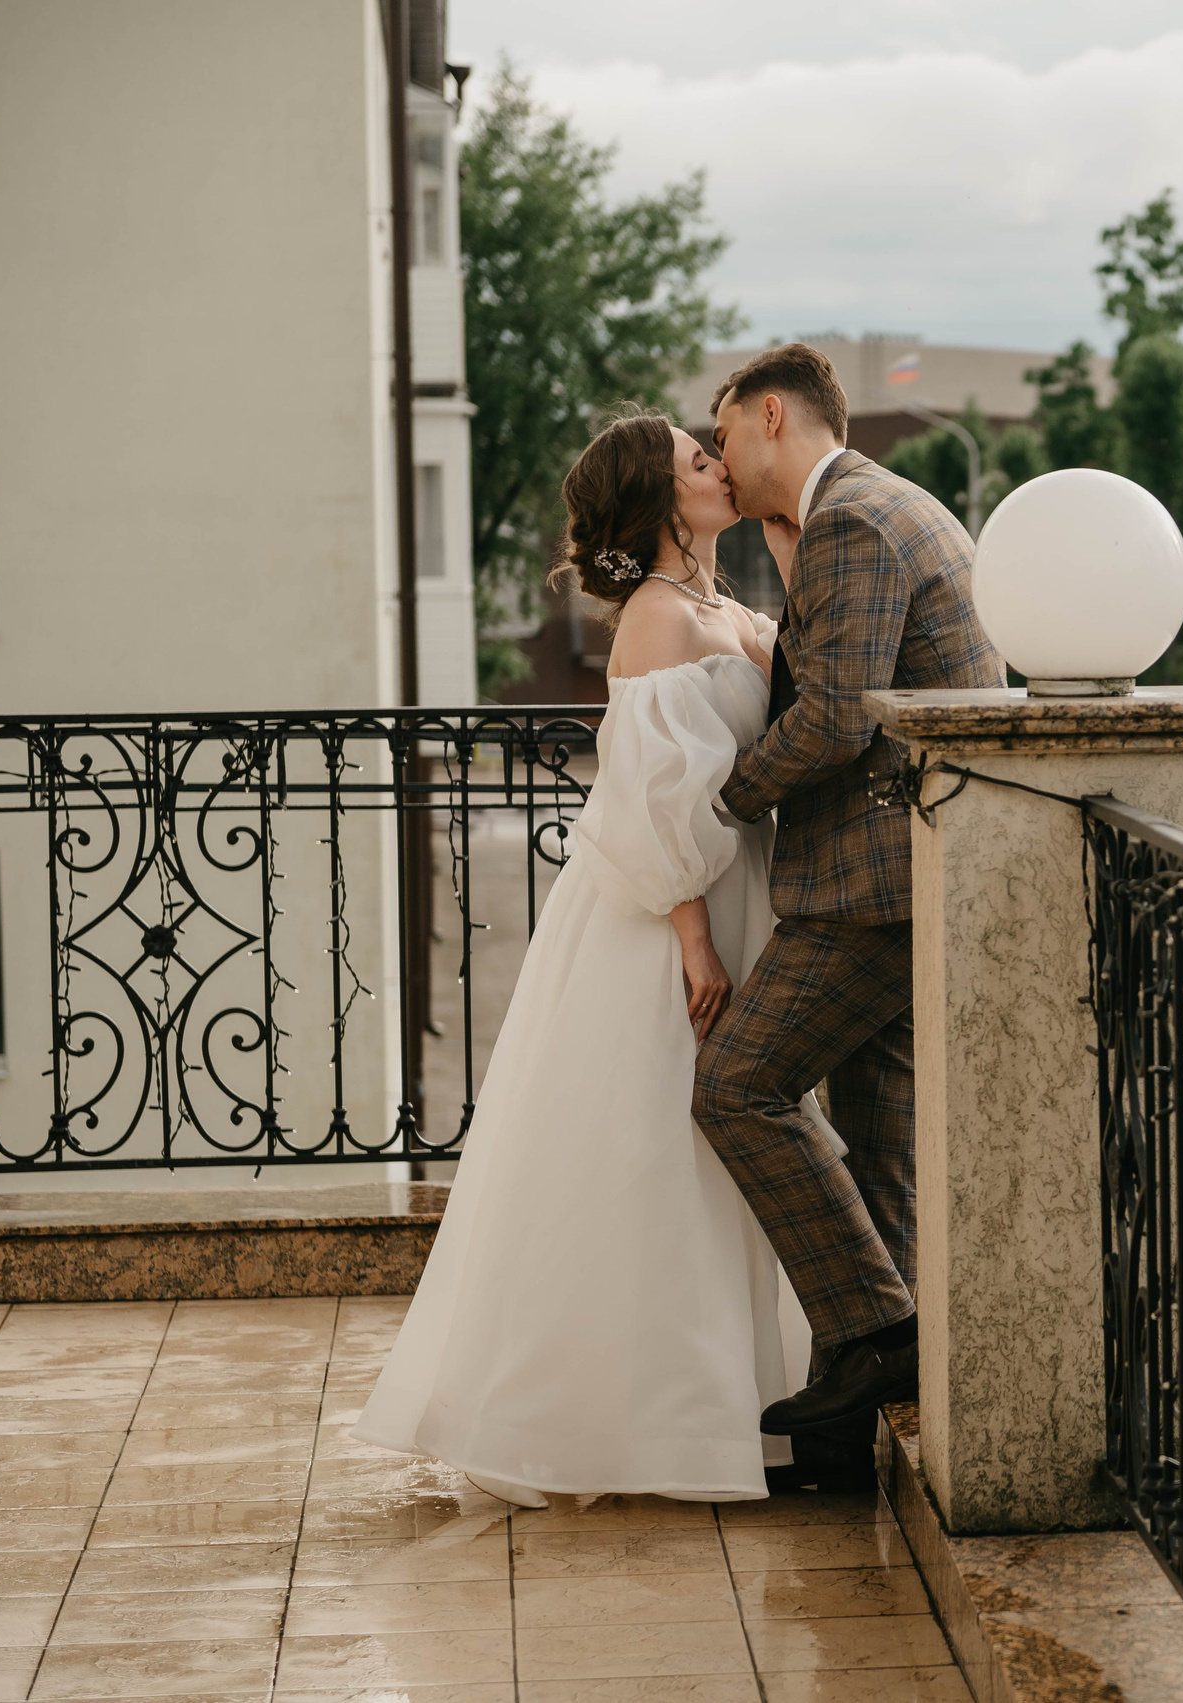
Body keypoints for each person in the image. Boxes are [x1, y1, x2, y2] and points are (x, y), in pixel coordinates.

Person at [353, 412, 818, 1507]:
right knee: (657, 1144)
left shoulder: (713, 602)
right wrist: (696, 941)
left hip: (733, 890)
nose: (717, 463)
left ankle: (748, 1399)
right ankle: (644, 1422)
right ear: (661, 501)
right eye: (696, 460)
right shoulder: (656, 620)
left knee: (710, 1149)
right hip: (668, 916)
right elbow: (653, 798)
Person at [697, 344, 1001, 1456]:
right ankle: (843, 1441)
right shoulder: (874, 509)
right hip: (918, 865)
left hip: (874, 885)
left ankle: (877, 1330)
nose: (719, 461)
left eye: (723, 433)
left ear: (772, 415)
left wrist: (717, 795)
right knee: (880, 1156)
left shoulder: (853, 522)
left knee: (739, 1086)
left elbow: (837, 718)